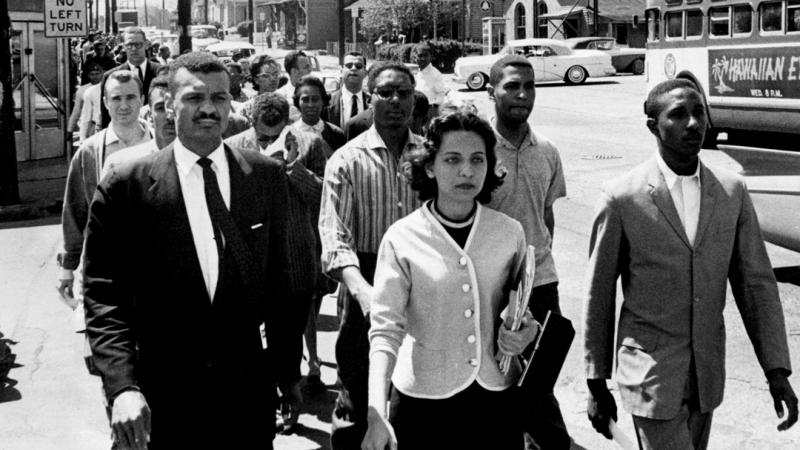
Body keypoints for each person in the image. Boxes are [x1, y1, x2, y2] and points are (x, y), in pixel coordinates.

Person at [83, 52, 295, 449]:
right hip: (163, 402)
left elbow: (278, 280)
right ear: (167, 106)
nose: (209, 109)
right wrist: (123, 386)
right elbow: (103, 293)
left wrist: (286, 371)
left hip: (246, 401)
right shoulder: (125, 186)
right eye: (195, 99)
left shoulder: (263, 176)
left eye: (219, 98)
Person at [584, 79, 798, 449]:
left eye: (699, 112)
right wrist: (595, 380)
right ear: (653, 125)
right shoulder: (623, 197)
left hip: (706, 376)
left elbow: (756, 285)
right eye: (678, 115)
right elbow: (599, 294)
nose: (693, 124)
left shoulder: (731, 192)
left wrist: (776, 369)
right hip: (649, 375)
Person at [361, 111, 539, 450]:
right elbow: (385, 330)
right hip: (422, 404)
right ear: (430, 166)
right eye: (452, 160)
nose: (467, 171)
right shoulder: (402, 237)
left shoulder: (509, 232)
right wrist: (375, 409)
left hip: (495, 401)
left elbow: (523, 309)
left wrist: (526, 332)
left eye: (477, 159)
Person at [319, 61, 424, 450]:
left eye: (403, 93)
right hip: (363, 277)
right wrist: (361, 289)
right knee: (358, 399)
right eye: (385, 93)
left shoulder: (430, 158)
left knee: (412, 395)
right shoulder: (346, 161)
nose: (395, 101)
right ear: (370, 97)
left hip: (422, 281)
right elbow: (334, 238)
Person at [226, 92, 332, 430]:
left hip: (294, 258)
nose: (268, 140)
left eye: (275, 134)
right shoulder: (232, 146)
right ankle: (261, 400)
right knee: (249, 339)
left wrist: (292, 166)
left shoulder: (311, 143)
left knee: (287, 337)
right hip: (247, 259)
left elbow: (324, 196)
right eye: (262, 136)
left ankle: (290, 398)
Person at [486, 55, 570, 449]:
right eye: (512, 86)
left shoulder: (548, 151)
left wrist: (537, 260)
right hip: (491, 283)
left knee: (538, 379)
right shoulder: (479, 152)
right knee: (494, 379)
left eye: (529, 86)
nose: (522, 95)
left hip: (541, 280)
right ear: (492, 92)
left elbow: (547, 214)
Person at [57, 70, 153, 302]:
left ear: (142, 100)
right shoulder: (89, 152)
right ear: (105, 103)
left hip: (154, 262)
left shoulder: (160, 145)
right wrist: (67, 267)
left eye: (130, 97)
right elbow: (76, 210)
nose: (123, 105)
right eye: (116, 98)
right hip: (106, 263)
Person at [104, 75, 175, 173]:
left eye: (175, 107)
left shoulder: (200, 159)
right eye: (160, 108)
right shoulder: (121, 165)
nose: (169, 116)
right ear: (150, 115)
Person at [100, 27, 162, 128]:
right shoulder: (111, 77)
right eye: (129, 45)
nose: (133, 49)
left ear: (146, 44)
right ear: (124, 47)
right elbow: (106, 116)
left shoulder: (161, 72)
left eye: (137, 44)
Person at [292, 75, 346, 151]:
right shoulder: (289, 133)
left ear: (323, 101)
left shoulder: (336, 134)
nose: (310, 105)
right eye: (305, 99)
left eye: (315, 99)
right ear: (297, 102)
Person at [326, 52, 370, 129]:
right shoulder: (327, 101)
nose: (353, 68)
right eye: (349, 65)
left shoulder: (372, 102)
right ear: (342, 70)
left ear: (365, 72)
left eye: (358, 66)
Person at [237, 54, 282, 123]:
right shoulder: (246, 109)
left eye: (275, 74)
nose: (273, 79)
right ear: (256, 80)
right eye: (266, 76)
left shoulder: (285, 104)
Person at [69, 62, 104, 143]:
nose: (95, 77)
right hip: (89, 126)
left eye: (97, 74)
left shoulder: (107, 87)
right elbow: (77, 111)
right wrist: (70, 129)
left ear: (102, 74)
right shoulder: (82, 90)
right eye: (92, 74)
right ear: (88, 75)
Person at [412, 43, 449, 117]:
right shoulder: (417, 73)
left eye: (425, 55)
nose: (423, 58)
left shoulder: (435, 74)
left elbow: (441, 94)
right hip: (417, 111)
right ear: (415, 57)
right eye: (420, 56)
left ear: (431, 57)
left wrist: (432, 109)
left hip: (430, 111)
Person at [275, 50, 312, 122]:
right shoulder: (280, 96)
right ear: (294, 71)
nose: (310, 70)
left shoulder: (316, 92)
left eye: (310, 66)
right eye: (306, 67)